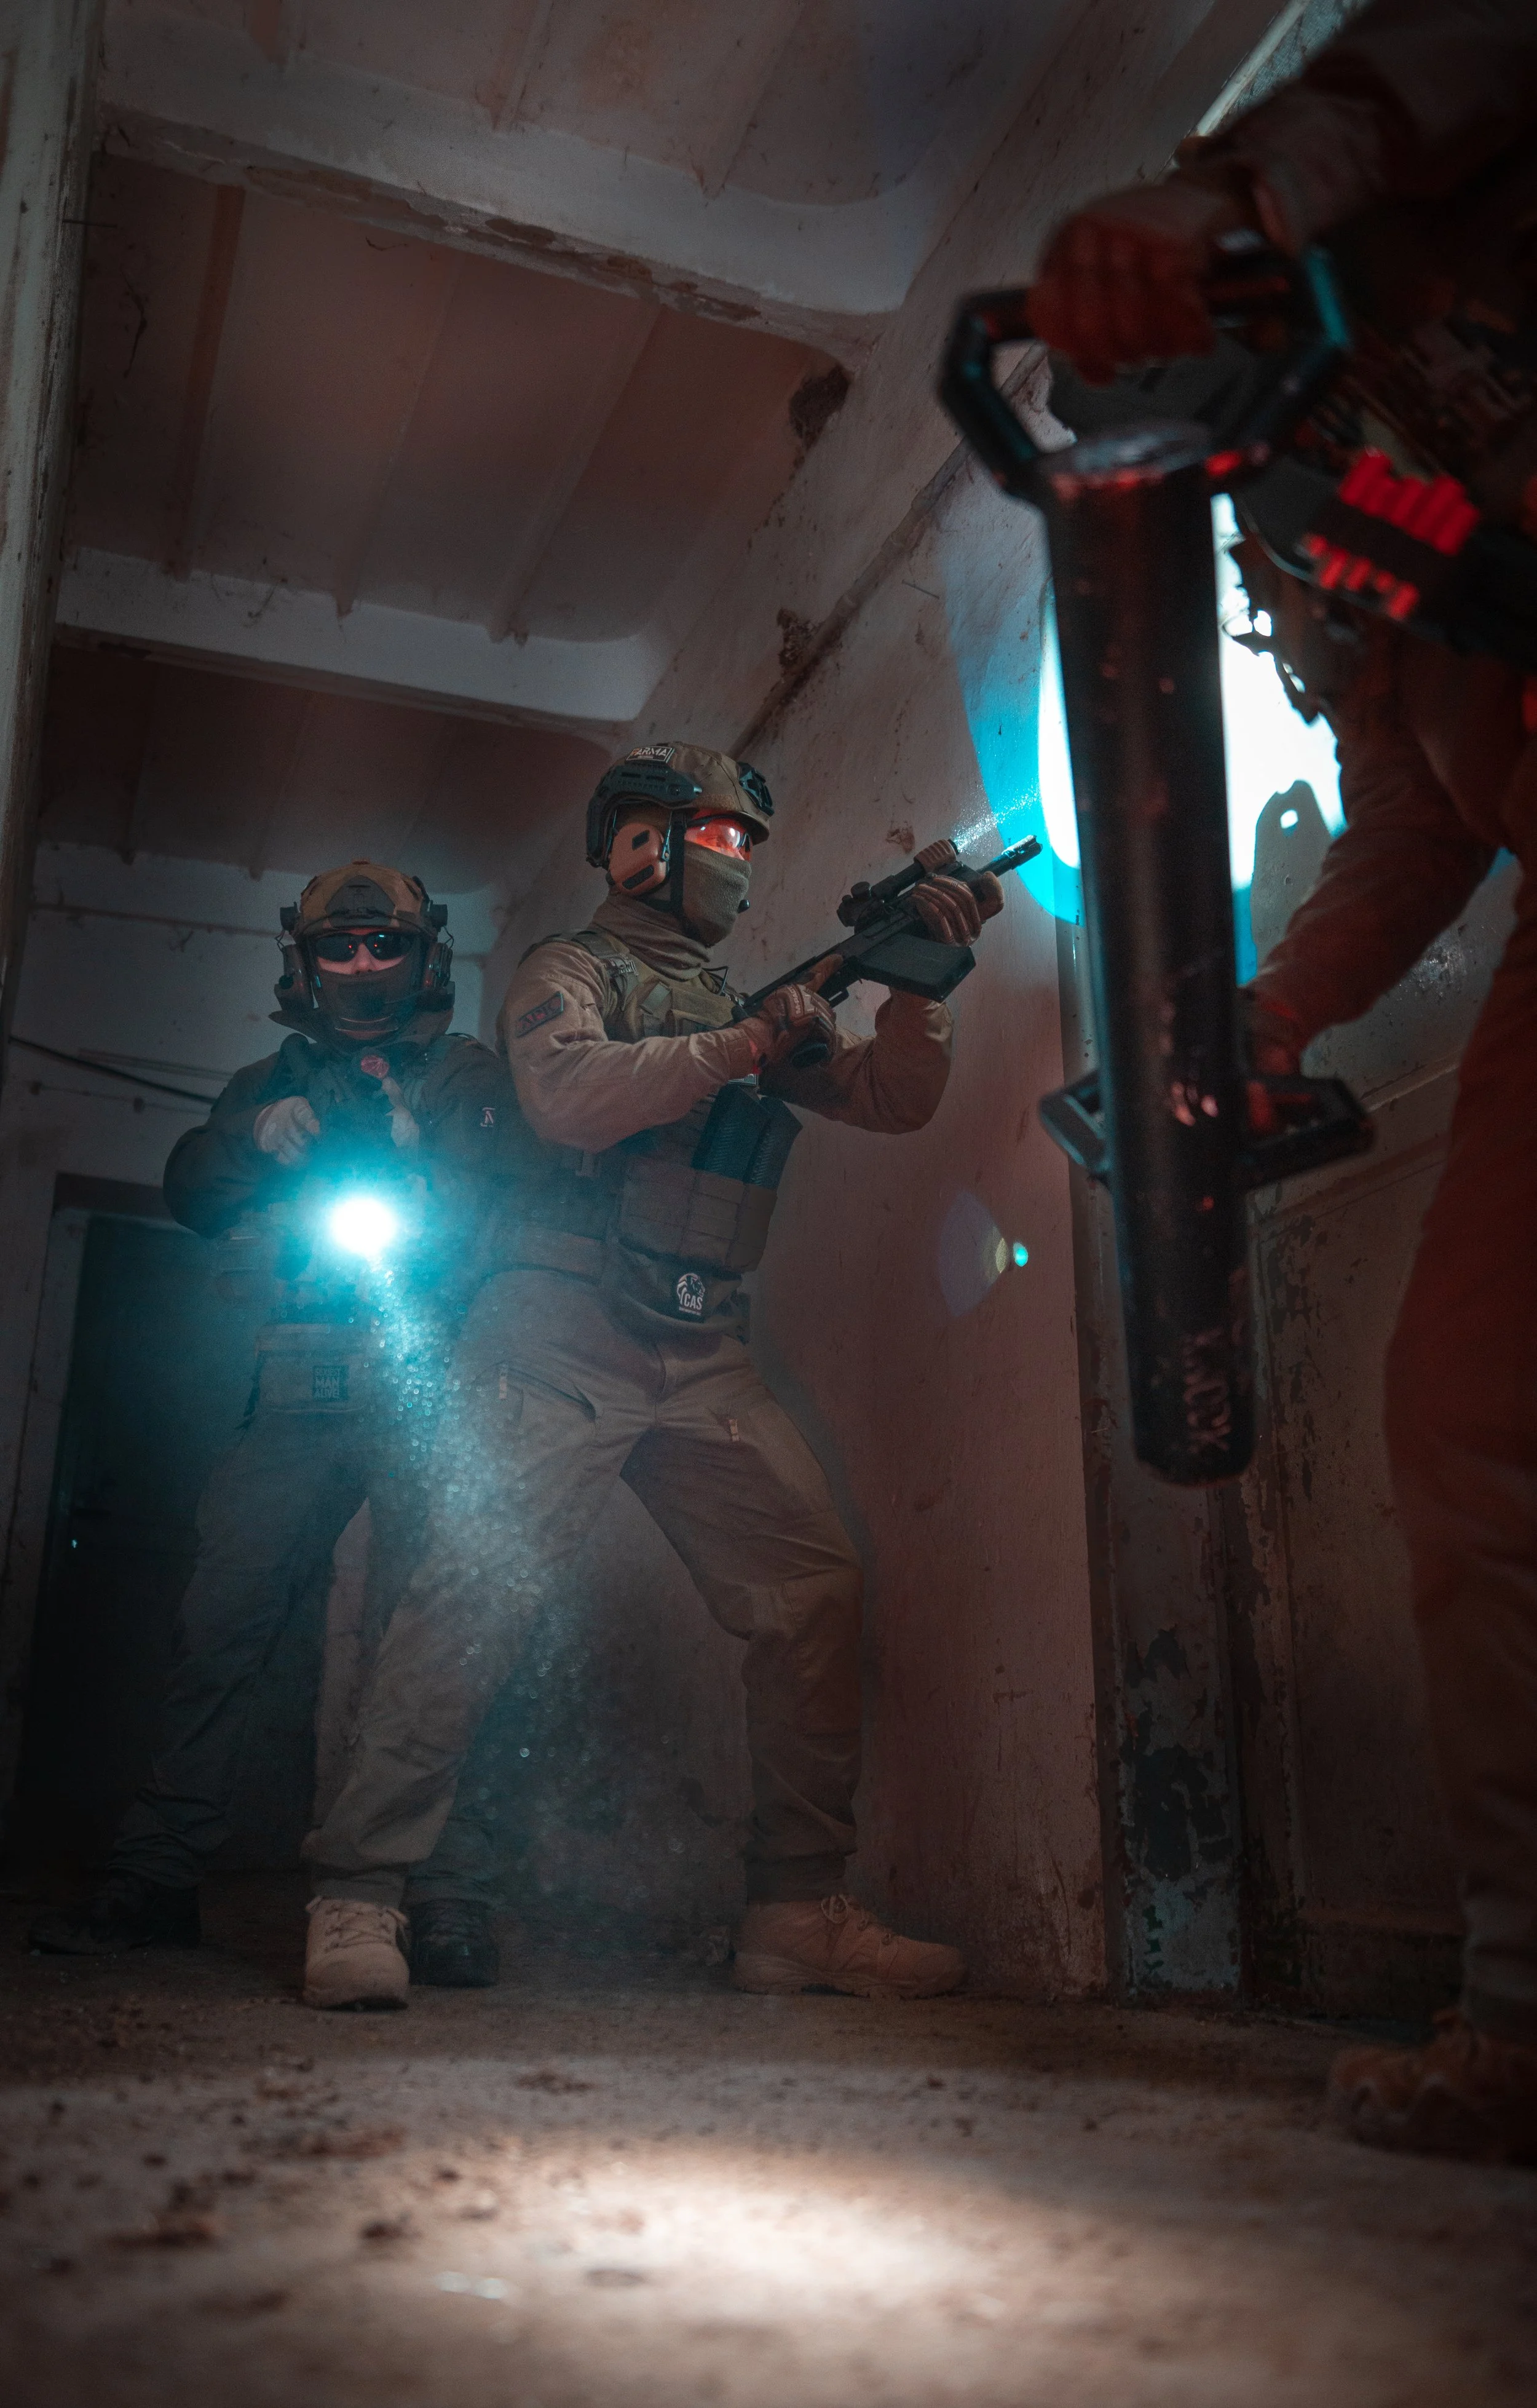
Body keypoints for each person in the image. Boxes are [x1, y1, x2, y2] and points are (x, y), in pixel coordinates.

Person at [1029, 0, 1537, 2159]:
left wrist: (1225, 181)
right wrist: (1261, 1016)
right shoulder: (1322, 508)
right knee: (1479, 1414)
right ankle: (1525, 2004)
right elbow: (1422, 817)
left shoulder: (1414, 192)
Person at [295, 745, 1007, 2011]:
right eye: (721, 840)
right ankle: (357, 1892)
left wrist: (921, 978)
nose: (736, 865)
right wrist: (739, 1040)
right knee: (470, 1600)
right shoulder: (573, 971)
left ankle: (794, 1908)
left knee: (807, 1586)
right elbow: (566, 1098)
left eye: (746, 846)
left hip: (698, 1343)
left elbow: (894, 1098)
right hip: (553, 1322)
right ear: (641, 843)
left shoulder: (750, 999)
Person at [29, 861, 516, 1991]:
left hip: (429, 1382)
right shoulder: (265, 1079)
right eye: (337, 948)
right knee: (223, 1627)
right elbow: (192, 1189)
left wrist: (418, 1146)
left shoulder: (464, 1074)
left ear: (423, 957)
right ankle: (154, 1880)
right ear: (303, 964)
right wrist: (255, 1135)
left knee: (435, 1646)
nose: (360, 967)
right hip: (294, 1380)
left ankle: (446, 1893)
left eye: (383, 946)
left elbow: (508, 1194)